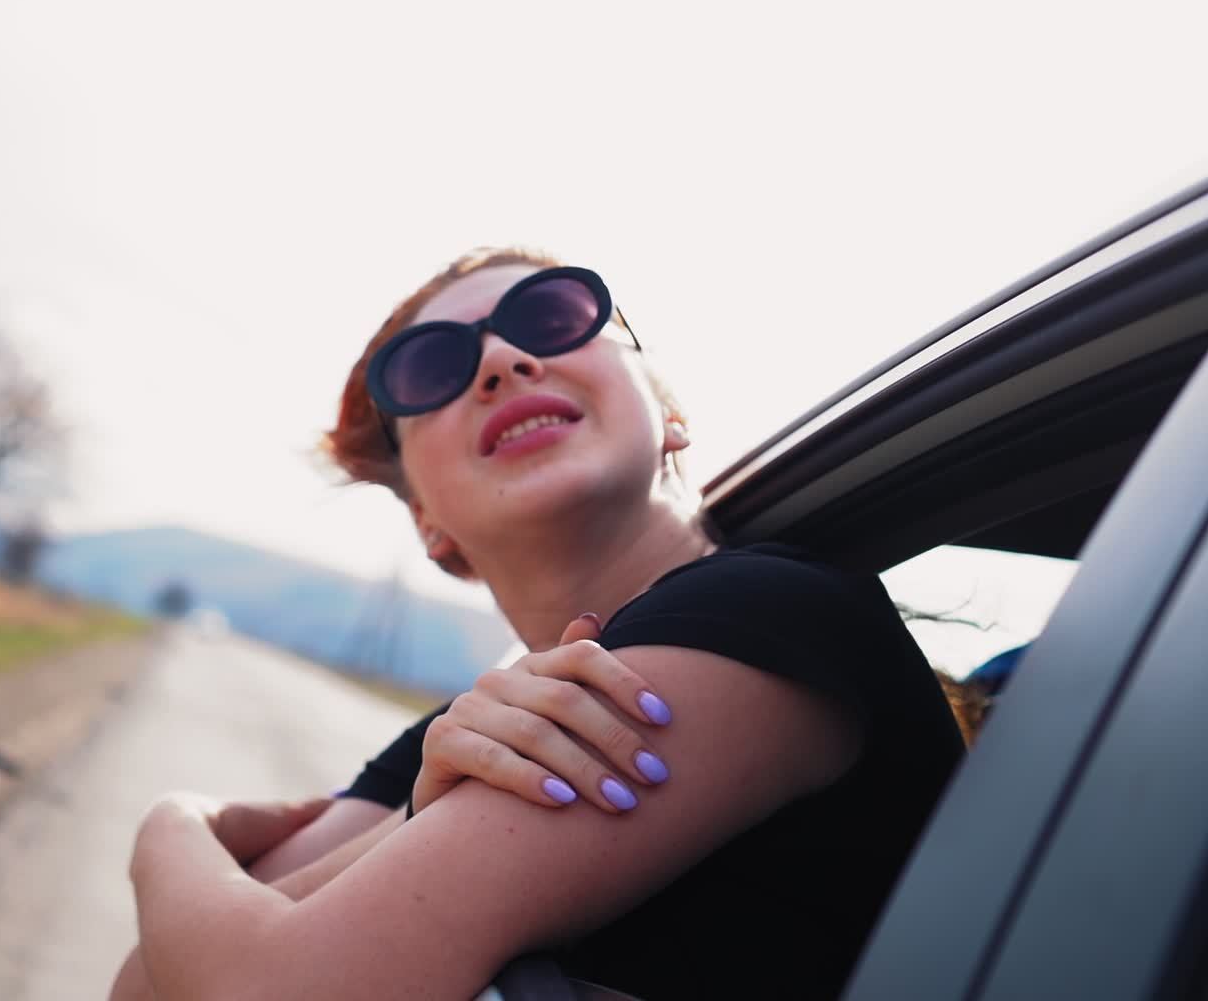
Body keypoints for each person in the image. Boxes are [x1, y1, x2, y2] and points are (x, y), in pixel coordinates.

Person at [112, 249, 966, 1000]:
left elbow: (250, 986)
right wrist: (409, 816)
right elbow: (146, 986)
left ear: (669, 413)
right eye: (430, 369)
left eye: (553, 316)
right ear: (426, 523)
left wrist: (171, 828)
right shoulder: (468, 730)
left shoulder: (766, 616)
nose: (504, 360)